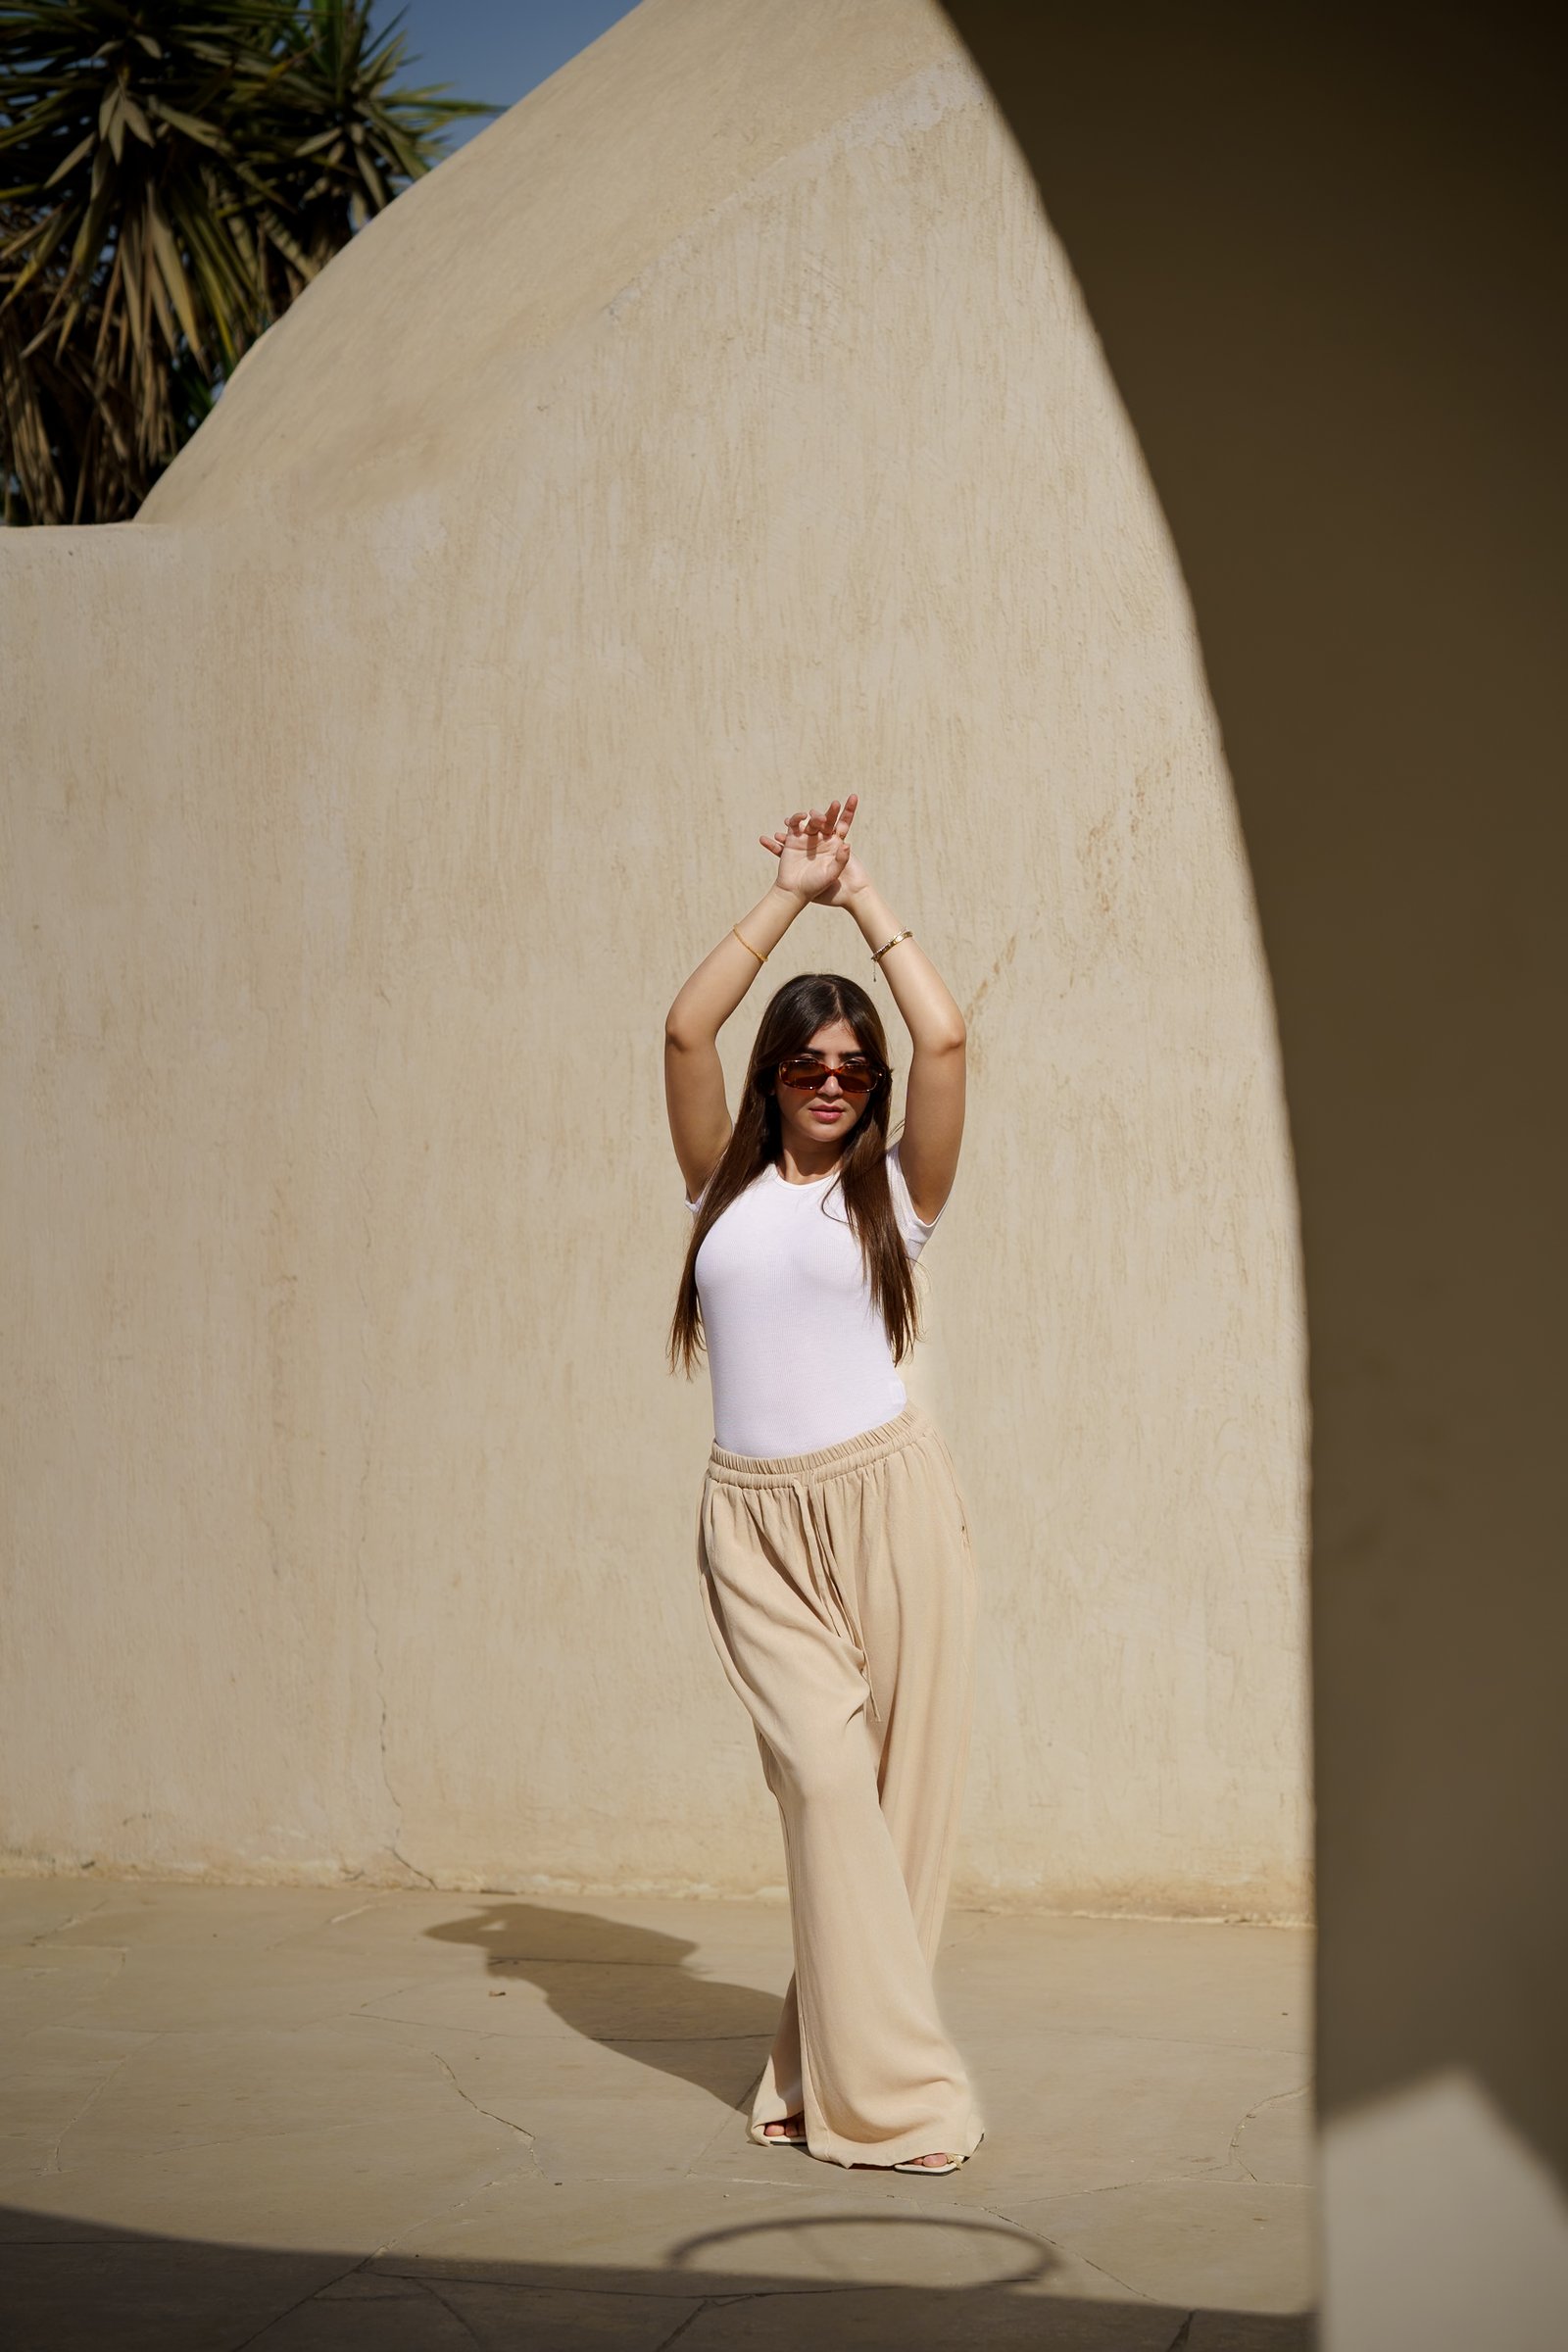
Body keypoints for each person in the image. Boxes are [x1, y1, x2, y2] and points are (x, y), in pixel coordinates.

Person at [663, 792, 986, 2176]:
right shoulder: (718, 1187)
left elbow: (948, 1036)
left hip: (891, 1504)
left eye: (854, 1066)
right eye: (806, 1062)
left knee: (895, 1813)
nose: (834, 1080)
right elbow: (685, 1029)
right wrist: (789, 895)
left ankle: (817, 2073)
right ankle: (897, 2095)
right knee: (827, 1791)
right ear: (774, 1076)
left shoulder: (895, 1195)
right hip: (754, 1522)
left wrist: (864, 900)